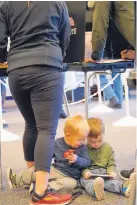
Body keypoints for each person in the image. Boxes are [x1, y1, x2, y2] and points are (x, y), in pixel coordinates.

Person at [0, 2, 72, 205]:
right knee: (46, 130)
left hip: (17, 72)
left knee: (31, 125)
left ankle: (34, 179)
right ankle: (41, 193)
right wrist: (59, 55)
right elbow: (64, 37)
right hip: (47, 67)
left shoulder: (7, 5)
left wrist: (5, 58)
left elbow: (0, 40)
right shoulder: (56, 2)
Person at [7, 115, 91, 192]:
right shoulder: (57, 143)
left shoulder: (82, 147)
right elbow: (47, 156)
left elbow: (87, 162)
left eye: (84, 139)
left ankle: (45, 188)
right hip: (55, 169)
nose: (83, 142)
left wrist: (77, 159)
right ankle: (16, 179)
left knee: (72, 184)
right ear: (68, 135)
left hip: (71, 176)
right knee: (38, 171)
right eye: (80, 139)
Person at [86, 1, 135, 108]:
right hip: (116, 48)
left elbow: (100, 23)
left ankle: (114, 99)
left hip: (109, 49)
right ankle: (116, 100)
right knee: (115, 75)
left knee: (102, 73)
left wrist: (96, 55)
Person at [80, 118, 135, 201]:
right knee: (85, 182)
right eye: (92, 142)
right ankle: (96, 191)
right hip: (90, 173)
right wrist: (85, 172)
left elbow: (111, 163)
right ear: (86, 138)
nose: (96, 144)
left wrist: (111, 171)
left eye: (99, 141)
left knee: (110, 183)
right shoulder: (83, 148)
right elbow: (81, 164)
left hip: (104, 173)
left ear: (103, 134)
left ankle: (124, 188)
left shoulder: (108, 148)